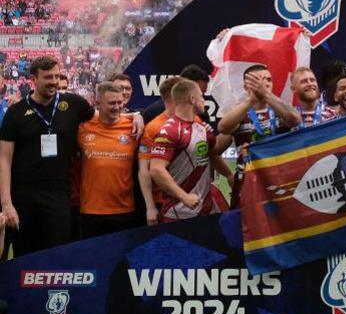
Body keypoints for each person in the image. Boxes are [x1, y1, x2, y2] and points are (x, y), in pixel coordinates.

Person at [0, 57, 96, 254]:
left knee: (57, 258)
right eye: (47, 77)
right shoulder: (15, 113)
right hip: (24, 197)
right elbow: (4, 160)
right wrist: (7, 204)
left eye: (56, 76)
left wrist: (136, 116)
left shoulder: (73, 104)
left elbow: (104, 119)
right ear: (34, 79)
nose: (53, 81)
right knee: (25, 258)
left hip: (59, 196)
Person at [149, 80, 231, 222]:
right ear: (192, 99)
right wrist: (183, 196)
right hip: (179, 213)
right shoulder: (170, 130)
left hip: (206, 209)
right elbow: (156, 169)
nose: (203, 100)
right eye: (201, 96)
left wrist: (232, 128)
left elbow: (214, 150)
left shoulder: (201, 127)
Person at [218, 64, 301, 205]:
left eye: (268, 80)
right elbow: (223, 127)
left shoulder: (280, 109)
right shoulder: (240, 112)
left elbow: (294, 119)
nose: (265, 84)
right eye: (258, 81)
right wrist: (251, 100)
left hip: (280, 179)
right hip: (248, 182)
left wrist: (267, 95)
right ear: (246, 87)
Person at [76, 82, 139, 238]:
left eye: (120, 102)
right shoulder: (83, 127)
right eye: (112, 103)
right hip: (91, 210)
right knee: (92, 260)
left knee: (121, 261)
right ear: (97, 103)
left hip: (124, 211)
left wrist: (137, 115)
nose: (117, 107)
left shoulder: (134, 127)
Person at [138, 76, 180, 226]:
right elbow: (144, 170)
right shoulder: (154, 127)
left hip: (190, 198)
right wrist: (150, 207)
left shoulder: (196, 122)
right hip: (163, 201)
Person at [141, 64, 211, 125]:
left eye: (202, 95)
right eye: (199, 92)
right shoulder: (152, 113)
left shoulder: (201, 116)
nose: (202, 98)